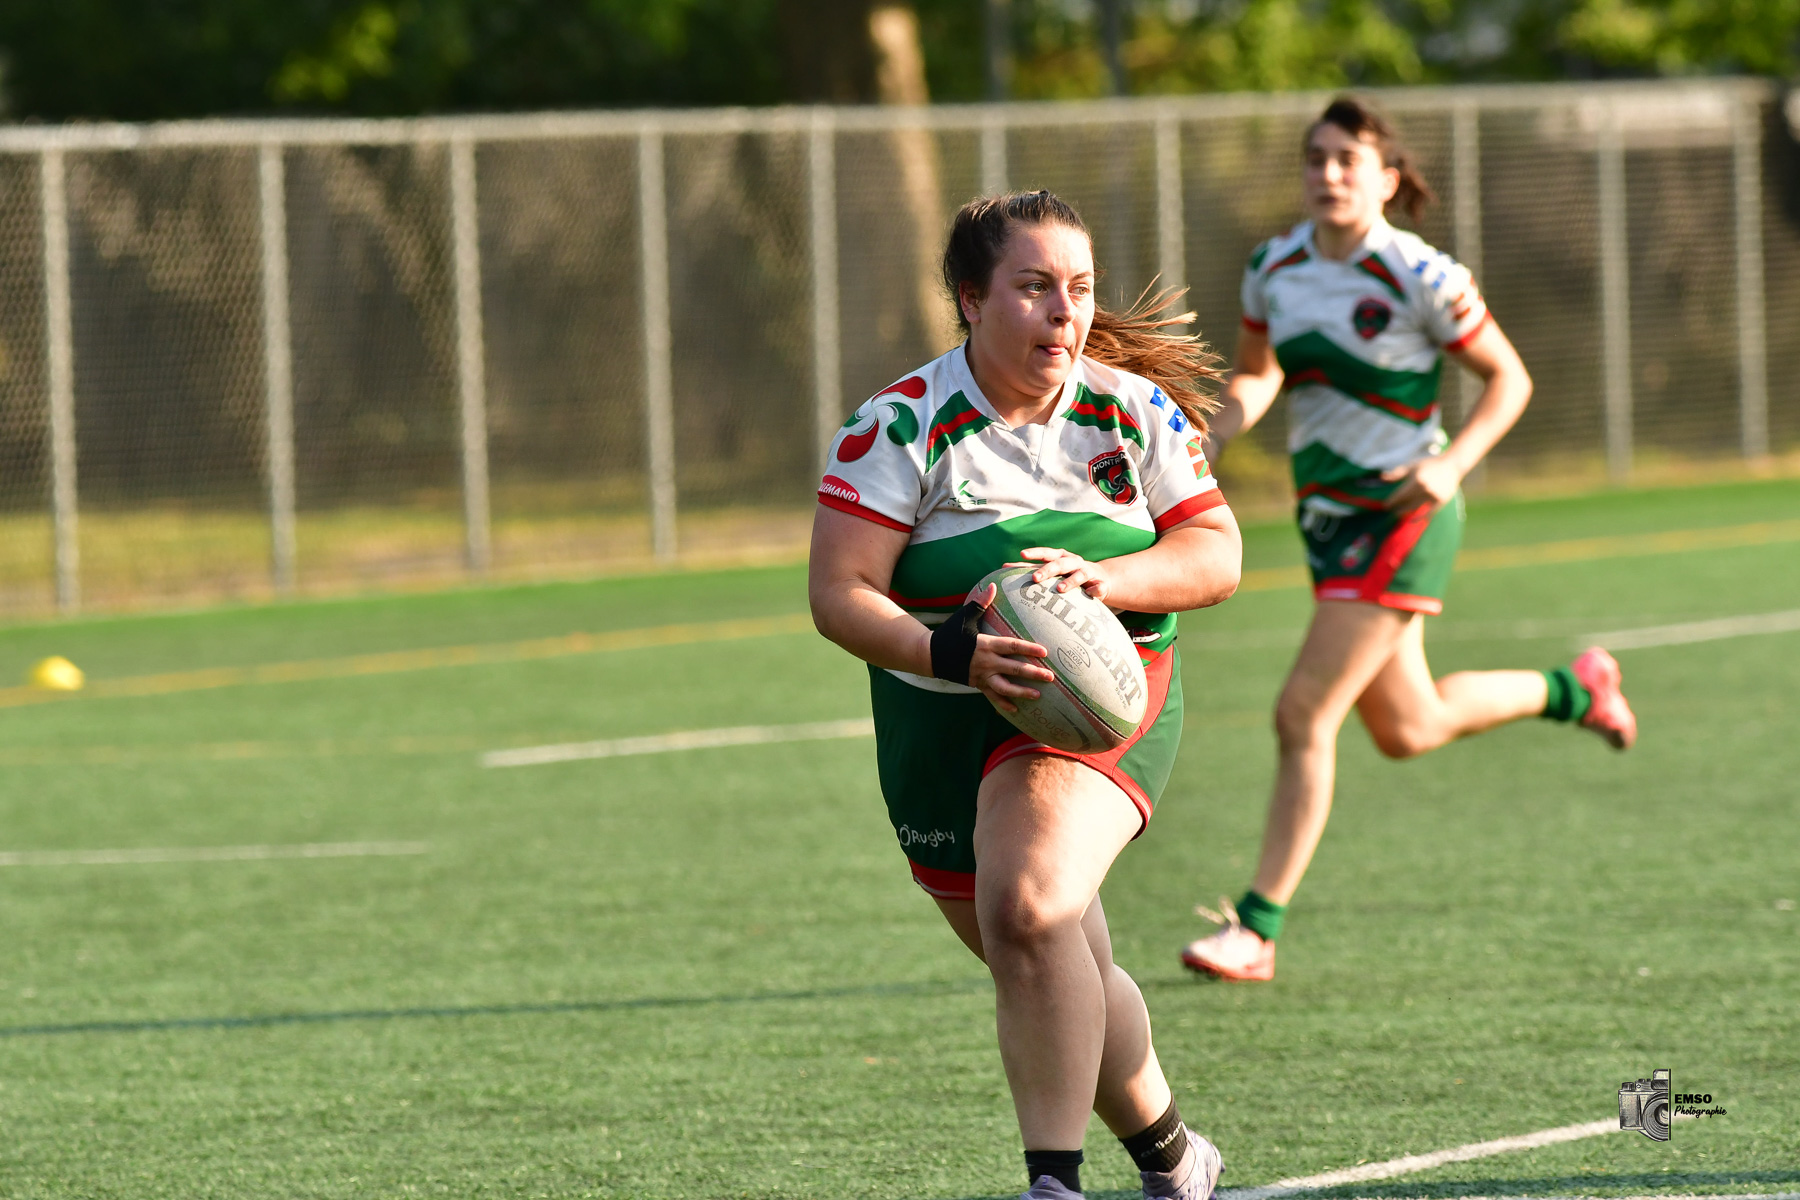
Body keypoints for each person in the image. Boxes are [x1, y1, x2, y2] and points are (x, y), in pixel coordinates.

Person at [810, 190, 1241, 1200]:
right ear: (971, 298)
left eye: (1080, 290)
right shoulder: (898, 427)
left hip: (1091, 707)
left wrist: (1111, 582)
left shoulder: (1133, 411)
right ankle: (1177, 1158)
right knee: (1047, 950)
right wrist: (951, 653)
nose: (1065, 313)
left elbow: (1214, 553)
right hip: (937, 717)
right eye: (1035, 287)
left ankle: (1052, 1183)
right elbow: (839, 595)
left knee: (1034, 904)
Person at [1178, 96, 1638, 985]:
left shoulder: (1422, 274)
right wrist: (1219, 430)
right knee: (1408, 726)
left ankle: (1257, 928)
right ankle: (1576, 690)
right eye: (1316, 157)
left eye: (1349, 158)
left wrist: (1453, 464)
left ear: (1388, 179)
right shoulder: (1274, 266)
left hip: (1406, 517)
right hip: (1329, 522)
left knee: (1303, 713)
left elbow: (1509, 379)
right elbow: (1260, 372)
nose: (1328, 173)